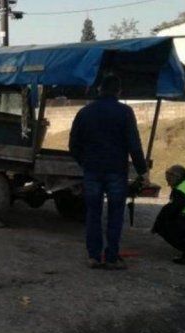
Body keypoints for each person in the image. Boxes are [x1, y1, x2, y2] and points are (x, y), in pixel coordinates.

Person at [69, 74, 149, 270]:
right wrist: (142, 171)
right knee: (115, 214)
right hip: (116, 171)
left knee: (93, 213)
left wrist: (85, 162)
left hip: (92, 170)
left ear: (99, 90)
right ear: (119, 91)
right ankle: (112, 257)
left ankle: (94, 257)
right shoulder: (125, 112)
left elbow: (73, 145)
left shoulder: (85, 112)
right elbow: (134, 145)